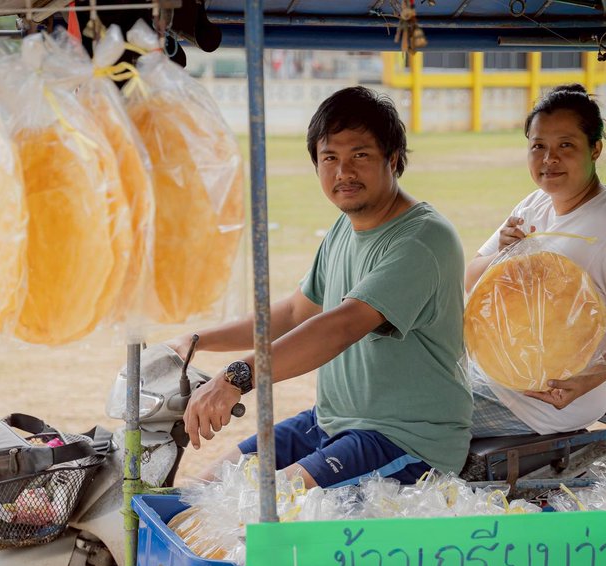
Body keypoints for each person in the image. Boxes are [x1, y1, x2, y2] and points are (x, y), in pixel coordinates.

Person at [170, 86, 472, 488]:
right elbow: (296, 311)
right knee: (205, 490)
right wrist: (197, 340)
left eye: (360, 156)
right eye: (330, 158)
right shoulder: (345, 228)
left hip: (404, 439)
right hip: (329, 420)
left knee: (265, 504)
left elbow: (341, 326)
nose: (343, 172)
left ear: (393, 159)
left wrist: (237, 377)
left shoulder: (422, 240)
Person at [467, 84, 606, 438]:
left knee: (413, 417)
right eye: (538, 146)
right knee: (397, 392)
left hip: (547, 400)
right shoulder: (533, 205)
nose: (549, 159)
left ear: (595, 149)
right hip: (492, 374)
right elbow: (471, 278)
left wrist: (584, 381)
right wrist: (501, 254)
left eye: (565, 145)